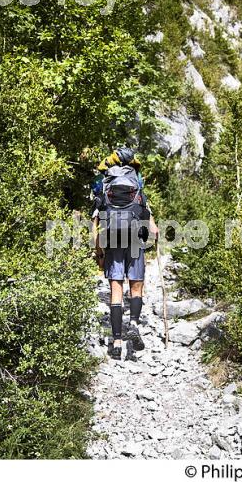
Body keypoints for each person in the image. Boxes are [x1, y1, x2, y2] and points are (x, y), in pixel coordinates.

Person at [92, 147, 158, 360]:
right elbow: (154, 231)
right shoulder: (138, 187)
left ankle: (117, 343)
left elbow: (96, 226)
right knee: (136, 288)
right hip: (135, 242)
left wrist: (100, 254)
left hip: (112, 242)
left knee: (116, 292)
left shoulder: (104, 187)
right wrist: (154, 235)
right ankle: (135, 324)